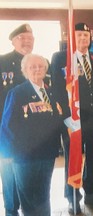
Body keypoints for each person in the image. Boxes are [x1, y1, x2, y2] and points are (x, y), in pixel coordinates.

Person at [50, 22, 93, 214]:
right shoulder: (61, 58)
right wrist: (66, 117)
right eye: (79, 36)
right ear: (72, 38)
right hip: (73, 119)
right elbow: (57, 90)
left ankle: (92, 192)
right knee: (73, 158)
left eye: (86, 36)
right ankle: (72, 196)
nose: (83, 39)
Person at [0, 53, 62, 216]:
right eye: (32, 67)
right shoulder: (17, 93)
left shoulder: (51, 92)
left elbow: (56, 119)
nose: (37, 69)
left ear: (46, 69)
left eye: (40, 66)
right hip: (25, 157)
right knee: (28, 199)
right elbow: (7, 126)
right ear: (25, 71)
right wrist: (8, 154)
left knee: (44, 195)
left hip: (47, 154)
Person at [0, 23, 34, 216]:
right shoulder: (2, 62)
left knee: (28, 172)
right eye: (22, 38)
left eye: (30, 39)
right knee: (9, 172)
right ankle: (11, 210)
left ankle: (28, 208)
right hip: (8, 129)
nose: (27, 42)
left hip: (32, 129)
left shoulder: (39, 62)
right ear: (13, 41)